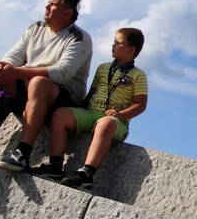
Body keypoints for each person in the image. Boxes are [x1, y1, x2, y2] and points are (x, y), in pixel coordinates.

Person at [0, 0, 93, 173]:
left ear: (68, 12)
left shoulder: (80, 38)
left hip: (62, 99)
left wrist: (17, 72)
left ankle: (23, 153)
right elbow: (13, 57)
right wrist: (3, 68)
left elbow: (62, 73)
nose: (46, 6)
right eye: (48, 2)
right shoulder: (36, 28)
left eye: (53, 4)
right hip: (29, 91)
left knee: (38, 82)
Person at [35, 28, 148, 192]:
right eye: (114, 41)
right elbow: (92, 92)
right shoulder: (103, 68)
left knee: (105, 124)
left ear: (131, 50)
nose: (113, 45)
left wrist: (121, 114)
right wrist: (78, 110)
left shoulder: (138, 75)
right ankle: (55, 165)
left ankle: (86, 174)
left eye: (118, 42)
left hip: (115, 121)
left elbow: (141, 104)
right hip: (91, 113)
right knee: (60, 115)